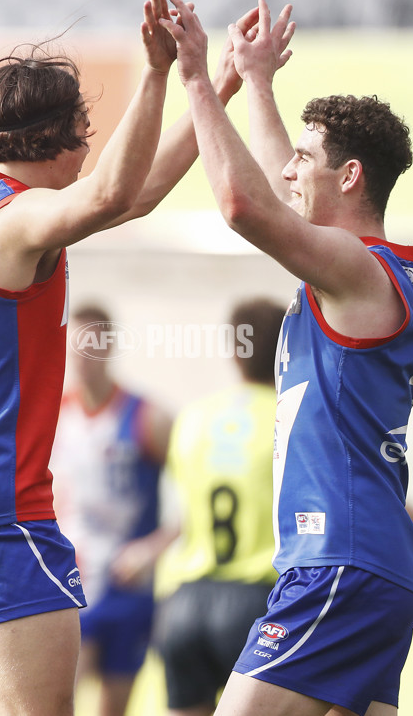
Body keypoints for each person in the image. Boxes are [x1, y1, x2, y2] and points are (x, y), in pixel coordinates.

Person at [0, 0, 181, 716]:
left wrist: (217, 90)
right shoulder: (20, 221)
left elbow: (130, 194)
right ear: (58, 138)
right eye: (85, 128)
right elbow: (114, 195)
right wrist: (156, 73)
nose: (90, 143)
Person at [161, 0, 413, 716]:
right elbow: (281, 186)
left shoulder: (356, 269)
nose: (289, 172)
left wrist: (196, 78)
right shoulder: (360, 267)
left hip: (338, 557)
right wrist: (257, 82)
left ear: (348, 178)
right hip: (368, 563)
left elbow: (249, 207)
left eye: (307, 162)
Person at [155, 298, 285, 716]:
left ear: (234, 350)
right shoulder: (290, 419)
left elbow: (184, 511)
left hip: (184, 604)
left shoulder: (193, 418)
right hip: (257, 602)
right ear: (288, 346)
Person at [49, 303, 175, 716]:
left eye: (91, 345)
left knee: (113, 708)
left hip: (128, 580)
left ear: (108, 346)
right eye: (74, 346)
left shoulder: (147, 416)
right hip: (73, 577)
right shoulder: (53, 415)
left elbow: (194, 495)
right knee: (56, 699)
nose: (81, 356)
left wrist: (153, 548)